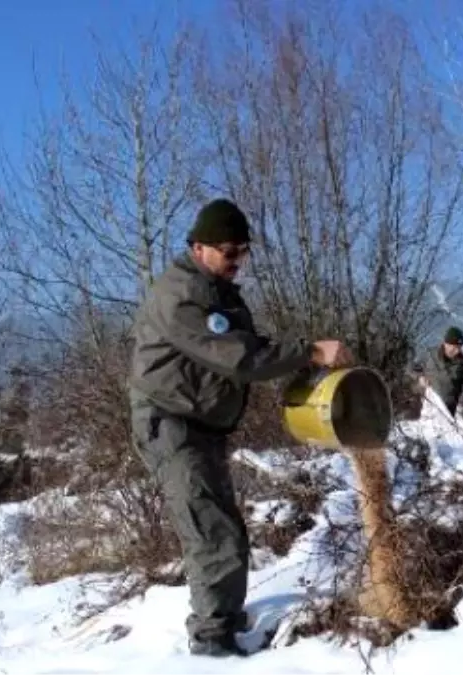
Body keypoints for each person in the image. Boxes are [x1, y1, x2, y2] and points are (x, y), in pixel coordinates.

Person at [127, 198, 353, 658]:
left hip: (200, 424)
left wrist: (296, 361)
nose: (238, 262)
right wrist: (308, 352)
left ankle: (226, 619)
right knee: (211, 531)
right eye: (230, 251)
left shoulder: (217, 290)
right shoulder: (182, 296)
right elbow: (238, 357)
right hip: (171, 424)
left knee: (224, 526)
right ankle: (213, 644)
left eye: (244, 251)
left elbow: (247, 344)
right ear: (199, 247)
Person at [414, 326, 463, 416]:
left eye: (459, 347)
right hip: (427, 406)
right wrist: (419, 376)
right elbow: (411, 367)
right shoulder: (429, 355)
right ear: (445, 344)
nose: (457, 351)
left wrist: (461, 405)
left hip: (449, 411)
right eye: (454, 347)